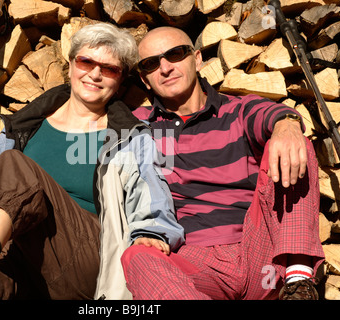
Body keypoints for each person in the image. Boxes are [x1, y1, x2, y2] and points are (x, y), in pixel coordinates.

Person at [0, 22, 184, 300]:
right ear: (71, 64)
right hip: (17, 267)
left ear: (120, 79)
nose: (95, 74)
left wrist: (152, 233)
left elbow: (150, 195)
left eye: (109, 69)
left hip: (85, 264)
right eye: (86, 62)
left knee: (15, 166)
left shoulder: (128, 137)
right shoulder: (19, 131)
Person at [121, 26, 325, 300]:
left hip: (260, 253)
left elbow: (270, 113)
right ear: (145, 80)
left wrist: (287, 124)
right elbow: (87, 111)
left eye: (175, 54)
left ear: (197, 59)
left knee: (293, 141)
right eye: (151, 63)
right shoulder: (139, 125)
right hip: (195, 260)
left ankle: (298, 282)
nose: (165, 68)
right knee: (137, 256)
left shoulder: (237, 109)